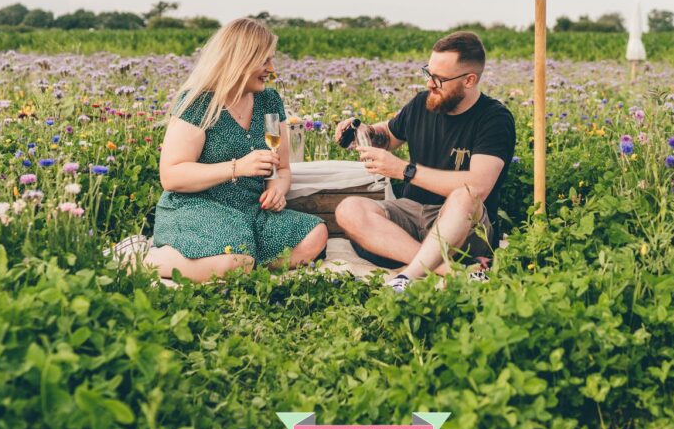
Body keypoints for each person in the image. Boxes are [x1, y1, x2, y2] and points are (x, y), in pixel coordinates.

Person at [111, 18, 327, 282]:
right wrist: (237, 167)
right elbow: (172, 175)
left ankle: (237, 264)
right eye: (264, 61)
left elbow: (281, 168)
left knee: (315, 234)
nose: (272, 69)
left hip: (250, 210)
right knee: (236, 259)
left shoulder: (269, 101)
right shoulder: (200, 103)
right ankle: (142, 259)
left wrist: (276, 191)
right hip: (197, 207)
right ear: (240, 59)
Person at [334, 31, 516, 291]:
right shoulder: (423, 103)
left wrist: (404, 170)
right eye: (428, 73)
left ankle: (406, 278)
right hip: (412, 212)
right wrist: (362, 132)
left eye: (439, 79)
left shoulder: (494, 118)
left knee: (466, 194)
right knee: (348, 209)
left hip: (462, 223)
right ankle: (446, 270)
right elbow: (387, 136)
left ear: (469, 80)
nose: (430, 84)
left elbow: (479, 185)